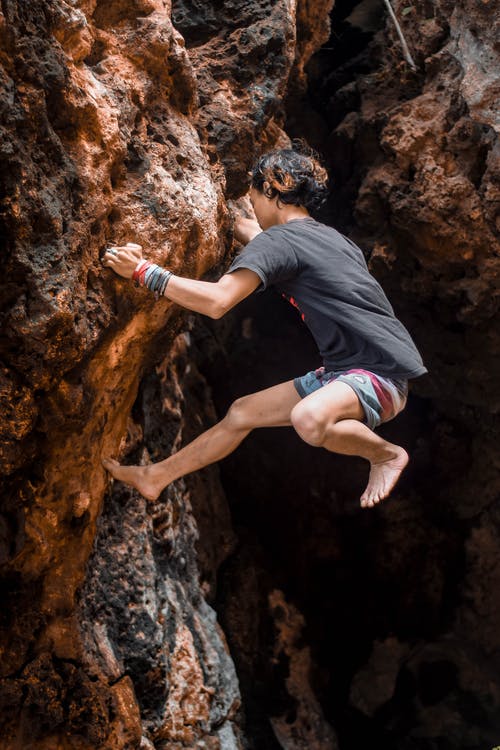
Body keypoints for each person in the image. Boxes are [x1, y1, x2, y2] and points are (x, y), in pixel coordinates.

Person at [102, 145, 427, 508]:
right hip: (354, 371)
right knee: (242, 412)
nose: (252, 204)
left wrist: (143, 271)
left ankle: (384, 454)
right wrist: (226, 218)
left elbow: (216, 302)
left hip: (376, 375)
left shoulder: (280, 243)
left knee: (309, 419)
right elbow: (255, 235)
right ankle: (156, 476)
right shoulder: (329, 239)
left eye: (253, 194)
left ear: (274, 186)